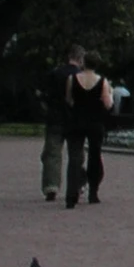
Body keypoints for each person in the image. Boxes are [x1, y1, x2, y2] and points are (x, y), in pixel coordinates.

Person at [64, 51, 114, 208]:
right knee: (94, 155)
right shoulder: (102, 81)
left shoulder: (72, 79)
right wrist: (110, 94)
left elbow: (69, 100)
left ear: (83, 62)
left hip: (77, 120)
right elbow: (108, 104)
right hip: (95, 122)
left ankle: (71, 195)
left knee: (74, 158)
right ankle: (93, 192)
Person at [42, 43, 84, 200]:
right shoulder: (81, 77)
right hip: (74, 119)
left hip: (55, 118)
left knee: (52, 154)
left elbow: (46, 94)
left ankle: (51, 186)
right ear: (81, 59)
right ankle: (77, 185)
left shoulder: (55, 73)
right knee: (76, 154)